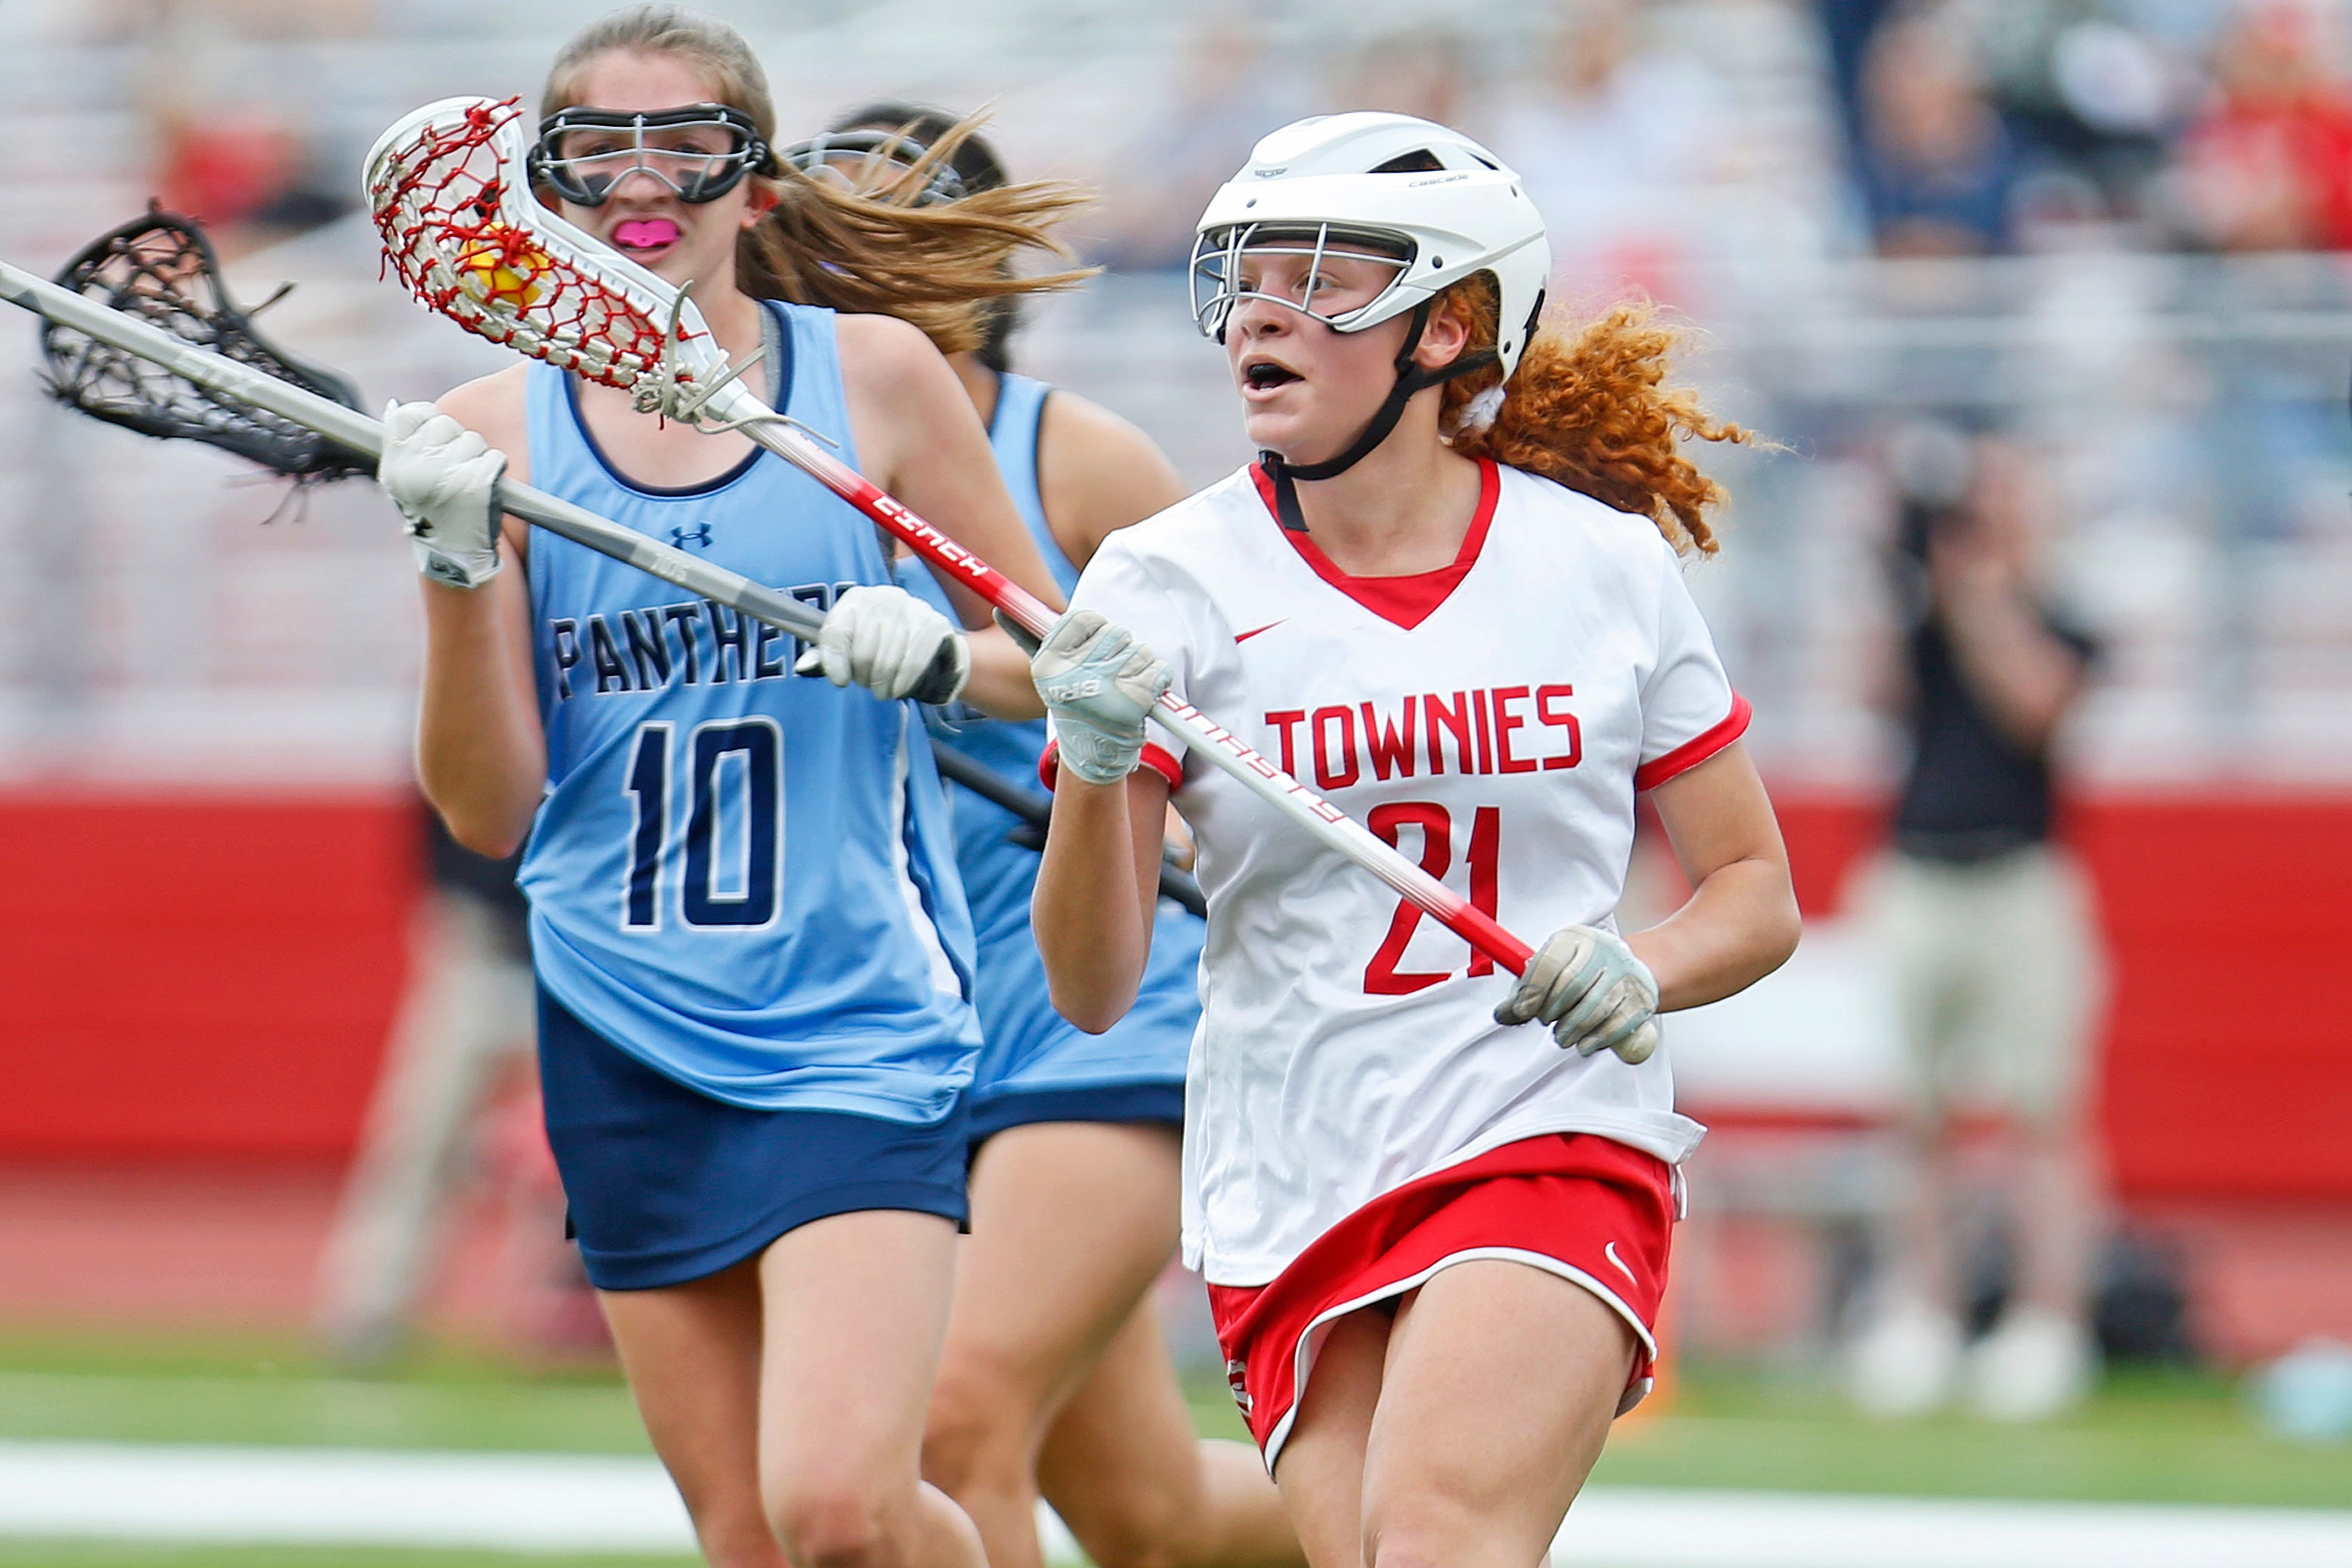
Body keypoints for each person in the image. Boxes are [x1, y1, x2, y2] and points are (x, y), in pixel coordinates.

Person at [1026, 113, 1801, 1566]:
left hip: (1545, 1122)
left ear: (1449, 325)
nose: (1262, 309)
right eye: (1249, 276)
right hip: (1293, 1165)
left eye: (1320, 277)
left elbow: (1754, 892)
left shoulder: (1601, 563)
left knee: (1435, 1533)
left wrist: (1641, 966)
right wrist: (1091, 761)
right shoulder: (1162, 578)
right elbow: (1088, 980)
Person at [370, 8, 1081, 1566]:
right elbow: (489, 809)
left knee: (838, 1500)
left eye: (685, 142)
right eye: (597, 148)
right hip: (620, 1024)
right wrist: (448, 564)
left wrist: (944, 660)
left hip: (855, 1021)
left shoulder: (876, 381)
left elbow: (1067, 664)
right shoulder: (494, 435)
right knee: (754, 1532)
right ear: (543, 194)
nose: (644, 180)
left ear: (753, 183)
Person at [789, 105, 1303, 1568]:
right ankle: (1424, 1533)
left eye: (893, 232)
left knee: (956, 1417)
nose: (852, 270)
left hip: (1097, 1007)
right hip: (900, 1021)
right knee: (1156, 1516)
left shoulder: (1075, 456)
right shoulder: (785, 459)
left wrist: (963, 662)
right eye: (830, 239)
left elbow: (1203, 684)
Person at [1845, 423, 2106, 1422]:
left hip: (2023, 877)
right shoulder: (1918, 610)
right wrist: (1894, 577)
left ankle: (2049, 1320)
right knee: (1915, 1115)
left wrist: (1981, 592)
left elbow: (2036, 706)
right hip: (1916, 873)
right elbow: (1871, 699)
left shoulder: (2058, 611)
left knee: (2045, 1114)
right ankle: (1922, 1310)